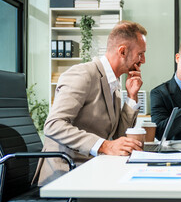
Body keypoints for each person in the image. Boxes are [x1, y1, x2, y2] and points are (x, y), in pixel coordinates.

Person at [34, 21, 147, 186]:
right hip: (66, 172)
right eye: (140, 54)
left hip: (92, 168)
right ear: (122, 51)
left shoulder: (112, 83)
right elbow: (53, 125)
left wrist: (131, 96)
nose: (143, 60)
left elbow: (117, 137)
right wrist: (104, 146)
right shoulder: (83, 74)